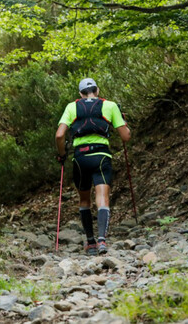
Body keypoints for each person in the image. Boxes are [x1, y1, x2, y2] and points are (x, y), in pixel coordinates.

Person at [55, 78, 131, 255]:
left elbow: (59, 135)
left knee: (84, 200)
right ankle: (102, 240)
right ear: (97, 90)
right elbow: (126, 136)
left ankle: (90, 243)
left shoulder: (71, 107)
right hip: (101, 156)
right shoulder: (110, 106)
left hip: (80, 158)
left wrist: (62, 154)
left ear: (80, 94)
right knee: (102, 197)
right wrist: (123, 121)